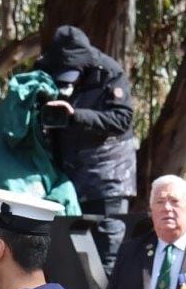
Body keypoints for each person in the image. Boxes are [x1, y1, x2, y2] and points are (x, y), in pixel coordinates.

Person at [36, 25, 136, 275]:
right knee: (67, 251)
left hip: (109, 176)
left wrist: (75, 116)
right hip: (67, 176)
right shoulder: (43, 70)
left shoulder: (109, 72)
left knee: (106, 252)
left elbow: (122, 119)